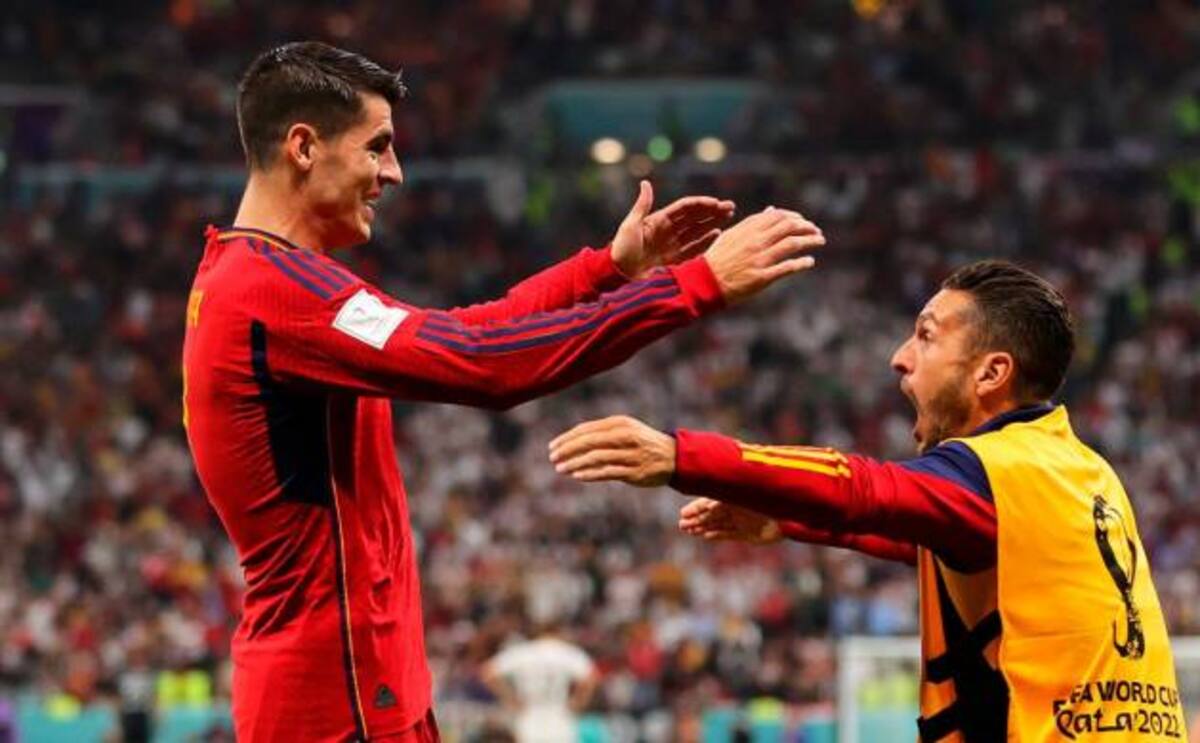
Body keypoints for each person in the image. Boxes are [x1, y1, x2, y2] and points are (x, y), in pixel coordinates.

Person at [182, 41, 825, 742]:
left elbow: (466, 332)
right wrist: (696, 285)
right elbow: (485, 365)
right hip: (334, 701)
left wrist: (608, 271)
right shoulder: (276, 290)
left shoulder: (255, 278)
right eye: (377, 147)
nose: (393, 173)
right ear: (304, 147)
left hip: (351, 682)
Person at [549, 260, 1187, 741]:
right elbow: (941, 540)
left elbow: (863, 490)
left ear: (992, 373)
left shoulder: (993, 470)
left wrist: (681, 457)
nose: (899, 358)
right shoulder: (1080, 471)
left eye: (926, 337)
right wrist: (791, 523)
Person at [481, 623, 599, 743]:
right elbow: (591, 677)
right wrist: (578, 702)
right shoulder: (566, 652)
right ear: (557, 633)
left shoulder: (523, 652)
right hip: (559, 714)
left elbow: (488, 672)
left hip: (530, 714)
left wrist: (510, 699)